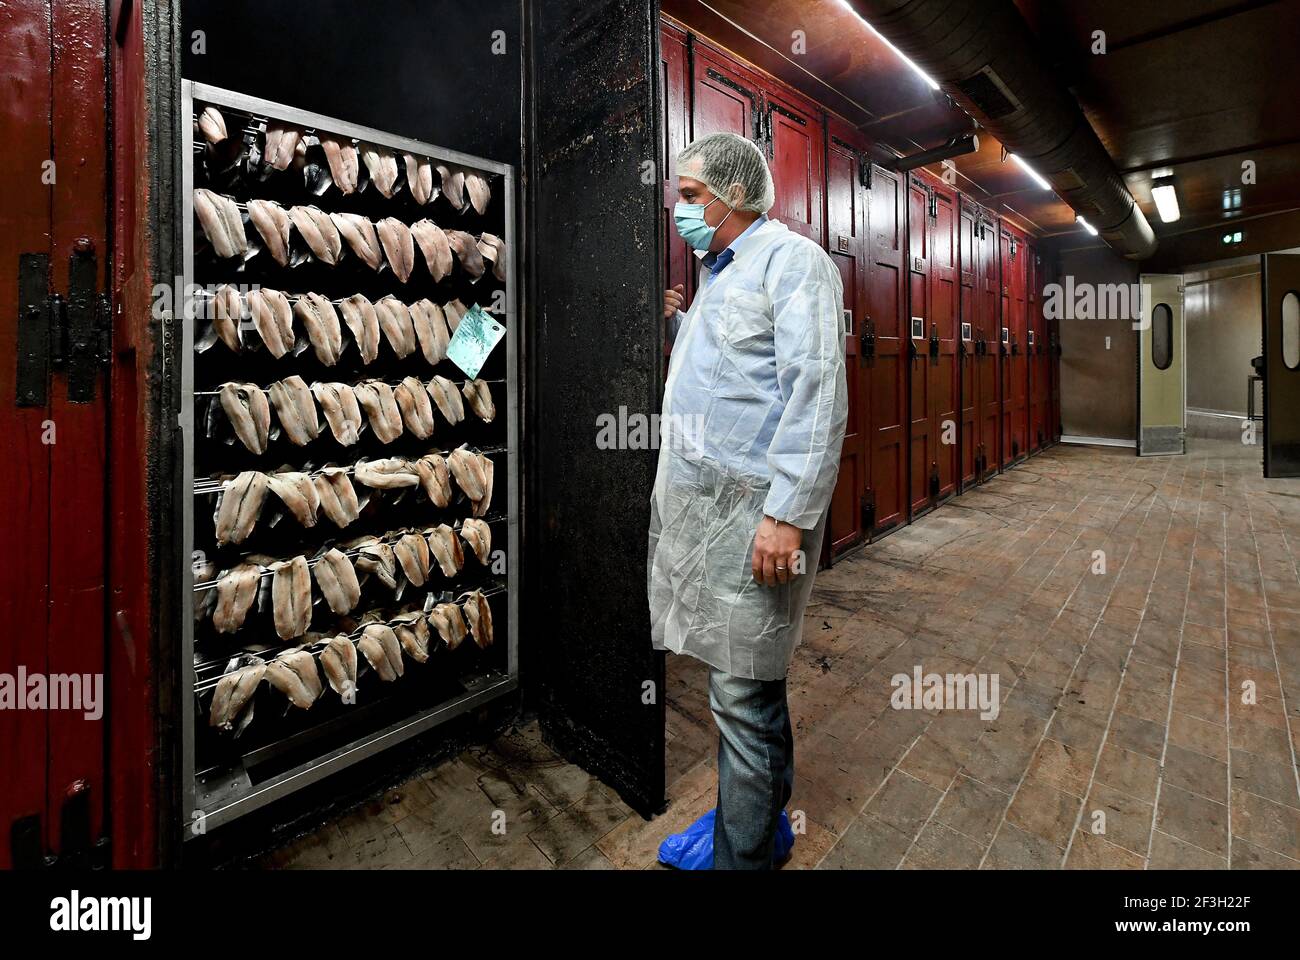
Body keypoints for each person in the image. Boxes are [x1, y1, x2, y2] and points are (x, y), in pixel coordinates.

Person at [649, 132, 848, 869]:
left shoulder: (793, 263)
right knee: (743, 688)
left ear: (736, 195)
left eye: (693, 195)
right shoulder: (719, 275)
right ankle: (760, 825)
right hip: (711, 512)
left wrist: (786, 518)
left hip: (757, 518)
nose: (682, 209)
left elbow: (817, 394)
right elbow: (731, 378)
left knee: (744, 691)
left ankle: (747, 856)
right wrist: (679, 325)